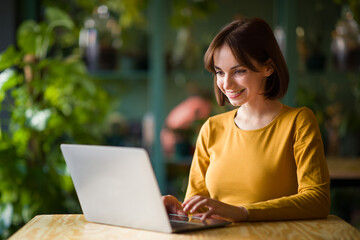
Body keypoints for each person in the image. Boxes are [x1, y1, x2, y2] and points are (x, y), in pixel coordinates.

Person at [162, 17, 330, 222]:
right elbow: (197, 208)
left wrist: (243, 212)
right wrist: (179, 210)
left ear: (268, 67)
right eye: (219, 72)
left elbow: (317, 201)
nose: (227, 83)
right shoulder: (211, 128)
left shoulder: (298, 122)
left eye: (239, 71)